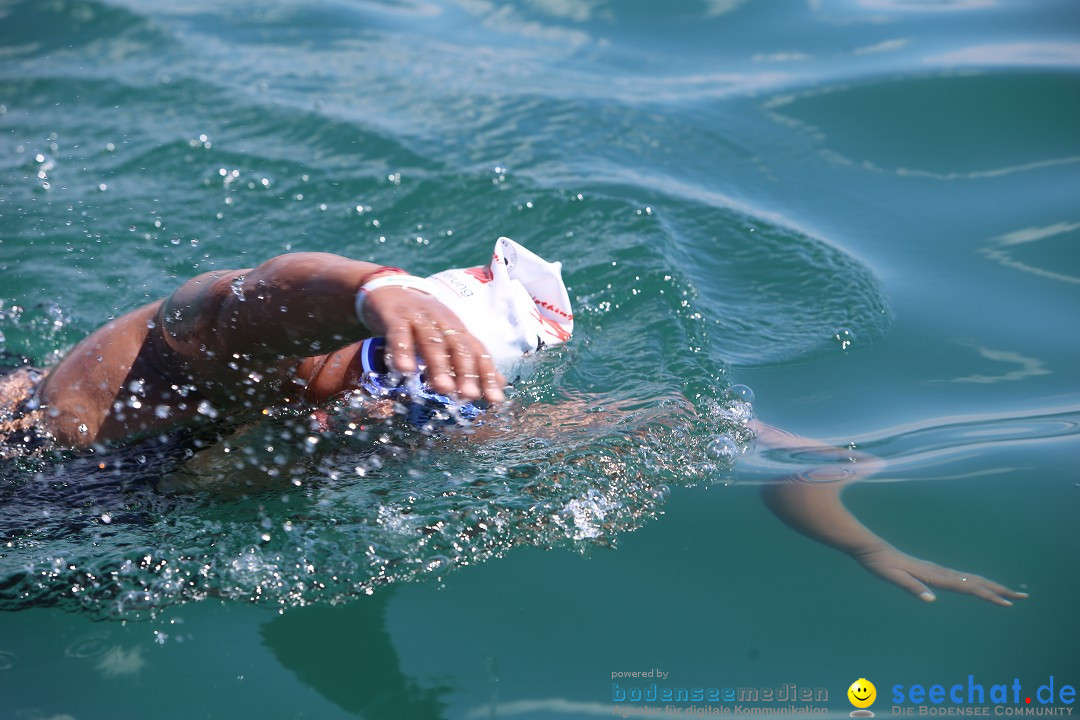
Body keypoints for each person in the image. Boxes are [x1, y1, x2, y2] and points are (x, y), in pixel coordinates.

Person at [0, 238, 1026, 607]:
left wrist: (864, 543)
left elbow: (748, 441)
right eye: (391, 382)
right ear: (366, 347)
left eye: (428, 412)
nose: (384, 423)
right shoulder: (187, 370)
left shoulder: (434, 425)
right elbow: (232, 297)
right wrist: (379, 289)